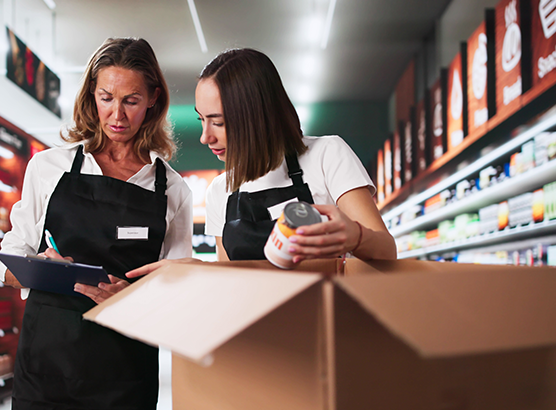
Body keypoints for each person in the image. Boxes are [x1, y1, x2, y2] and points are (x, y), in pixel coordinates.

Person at [0, 38, 193, 410]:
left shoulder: (172, 190)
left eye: (131, 101)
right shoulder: (48, 167)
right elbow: (6, 264)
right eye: (106, 97)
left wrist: (132, 298)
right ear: (91, 95)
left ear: (153, 98)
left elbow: (177, 293)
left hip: (123, 374)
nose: (116, 114)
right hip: (46, 372)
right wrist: (41, 268)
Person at [127, 48, 393, 280]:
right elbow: (230, 281)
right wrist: (195, 269)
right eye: (202, 120)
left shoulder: (326, 155)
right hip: (255, 333)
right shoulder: (221, 190)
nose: (205, 136)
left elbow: (387, 252)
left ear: (255, 116)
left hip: (327, 326)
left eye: (218, 122)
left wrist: (355, 236)